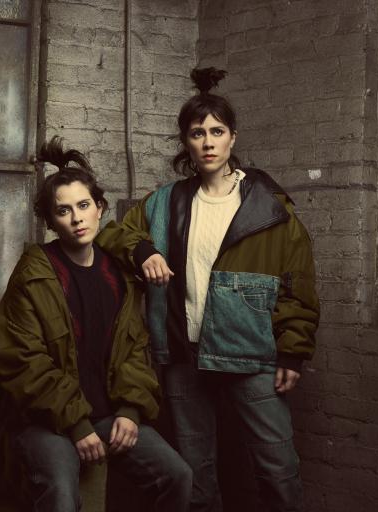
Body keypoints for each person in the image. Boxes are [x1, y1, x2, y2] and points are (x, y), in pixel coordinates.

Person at [96, 68, 320, 511]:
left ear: (233, 137)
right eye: (198, 133)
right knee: (196, 472)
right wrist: (143, 251)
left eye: (217, 131)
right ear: (186, 142)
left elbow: (298, 280)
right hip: (185, 354)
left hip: (252, 352)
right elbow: (112, 234)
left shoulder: (267, 207)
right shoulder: (166, 202)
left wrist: (293, 350)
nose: (208, 141)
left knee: (277, 469)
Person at [0, 136, 192, 512]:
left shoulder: (118, 271)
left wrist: (131, 412)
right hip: (45, 421)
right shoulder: (34, 273)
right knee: (63, 496)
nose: (77, 218)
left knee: (177, 475)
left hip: (109, 414)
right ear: (50, 220)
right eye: (63, 211)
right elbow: (24, 361)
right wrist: (77, 426)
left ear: (99, 208)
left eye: (84, 205)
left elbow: (133, 349)